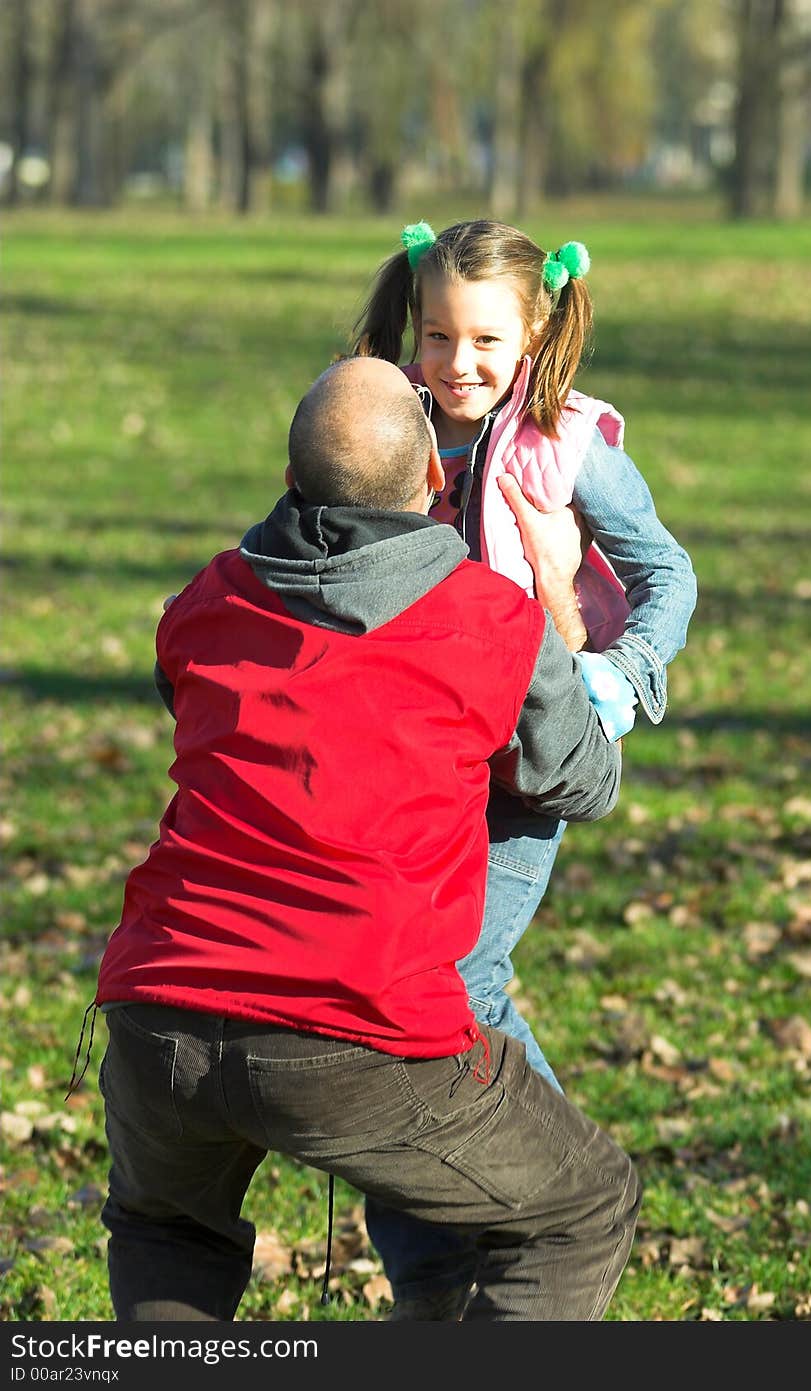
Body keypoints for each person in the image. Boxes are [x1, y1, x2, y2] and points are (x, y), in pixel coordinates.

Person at [89, 356, 641, 1323]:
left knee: (168, 1231)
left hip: (157, 1012)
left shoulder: (214, 596)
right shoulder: (489, 616)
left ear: (291, 475)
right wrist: (557, 597)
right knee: (581, 1205)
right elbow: (581, 778)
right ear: (436, 479)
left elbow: (184, 685)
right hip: (352, 1026)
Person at [348, 218, 697, 1313]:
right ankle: (431, 1262)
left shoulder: (566, 442)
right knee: (386, 991)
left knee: (459, 976)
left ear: (538, 329)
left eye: (487, 341)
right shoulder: (385, 420)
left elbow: (666, 573)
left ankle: (556, 1181)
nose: (459, 363)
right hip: (410, 756)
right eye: (440, 334)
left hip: (524, 761)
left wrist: (617, 676)